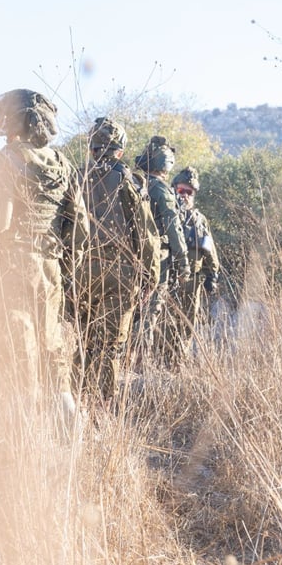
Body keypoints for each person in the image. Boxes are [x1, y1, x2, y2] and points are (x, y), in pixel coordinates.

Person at [0, 88, 88, 415]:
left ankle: (25, 440)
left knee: (20, 348)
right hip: (51, 265)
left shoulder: (4, 160)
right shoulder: (62, 163)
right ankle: (68, 429)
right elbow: (80, 226)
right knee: (54, 349)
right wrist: (65, 263)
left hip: (13, 266)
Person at [72, 117, 161, 403]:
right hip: (119, 275)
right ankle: (100, 407)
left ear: (92, 147)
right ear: (119, 151)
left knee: (84, 343)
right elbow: (146, 235)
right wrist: (151, 277)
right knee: (109, 346)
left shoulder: (74, 177)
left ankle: (76, 402)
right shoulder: (130, 181)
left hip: (81, 271)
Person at [156, 167, 220, 366]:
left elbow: (209, 249)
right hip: (169, 279)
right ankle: (162, 364)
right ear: (174, 189)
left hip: (193, 282)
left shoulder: (200, 220)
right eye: (181, 191)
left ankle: (178, 364)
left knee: (187, 326)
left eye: (189, 192)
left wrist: (212, 275)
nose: (184, 196)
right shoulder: (166, 215)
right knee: (165, 326)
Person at [136, 136, 191, 362]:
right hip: (156, 261)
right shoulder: (162, 190)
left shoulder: (132, 182)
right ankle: (140, 364)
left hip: (129, 256)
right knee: (149, 314)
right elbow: (173, 229)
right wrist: (183, 263)